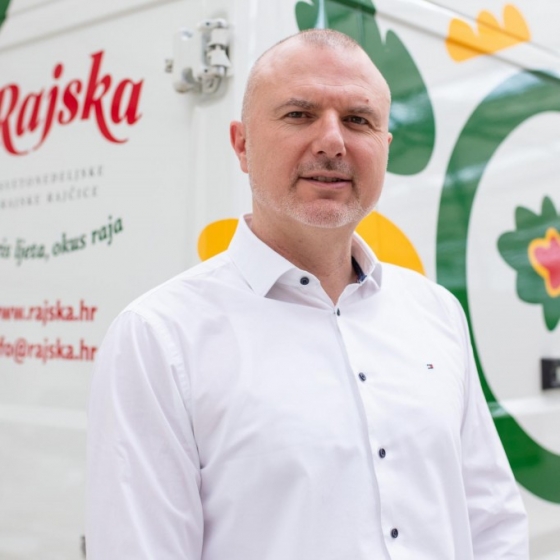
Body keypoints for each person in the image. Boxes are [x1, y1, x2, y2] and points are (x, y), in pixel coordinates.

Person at [86, 29, 528, 560]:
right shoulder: (160, 337)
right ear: (242, 145)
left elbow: (492, 519)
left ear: (384, 148)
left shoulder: (436, 313)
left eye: (358, 120)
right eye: (299, 114)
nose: (333, 141)